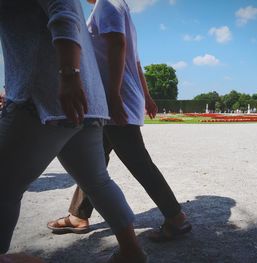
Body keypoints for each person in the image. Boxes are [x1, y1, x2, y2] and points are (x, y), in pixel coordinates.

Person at [0, 0, 147, 262]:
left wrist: (68, 75)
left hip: (44, 95)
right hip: (86, 101)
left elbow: (64, 11)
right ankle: (131, 251)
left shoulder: (108, 6)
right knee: (98, 182)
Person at [47, 0, 191, 242]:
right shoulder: (117, 7)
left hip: (115, 98)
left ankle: (176, 217)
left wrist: (114, 96)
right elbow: (134, 60)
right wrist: (146, 96)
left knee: (136, 161)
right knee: (94, 161)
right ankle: (78, 215)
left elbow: (117, 45)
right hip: (115, 98)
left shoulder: (108, 5)